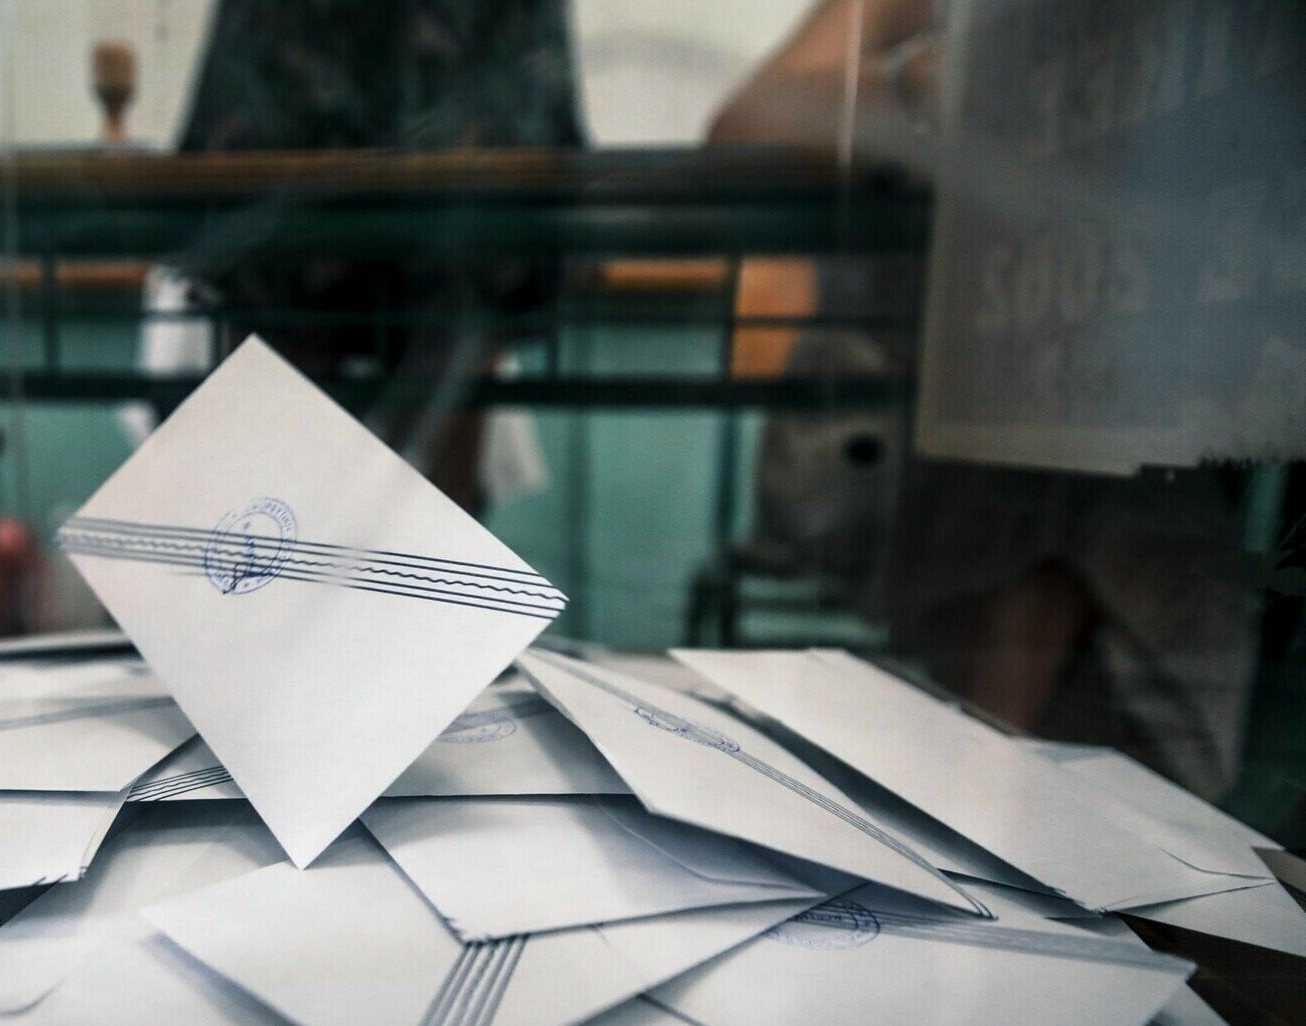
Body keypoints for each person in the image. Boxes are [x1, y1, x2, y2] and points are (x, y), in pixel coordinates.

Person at [711, 0, 1256, 798]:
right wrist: (941, 85)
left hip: (1112, 427)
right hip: (886, 424)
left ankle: (989, 796)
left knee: (1082, 432)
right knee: (1052, 438)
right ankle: (980, 795)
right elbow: (743, 130)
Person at [171, 0, 587, 512]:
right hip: (388, 224)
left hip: (374, 224)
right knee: (333, 452)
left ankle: (368, 539)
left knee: (319, 462)